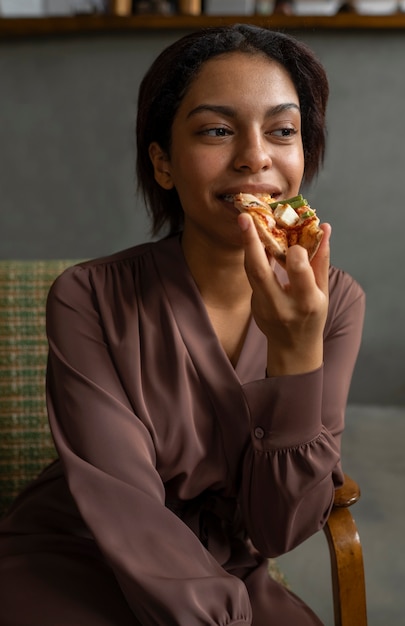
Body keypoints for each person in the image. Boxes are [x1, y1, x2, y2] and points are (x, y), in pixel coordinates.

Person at [0, 24, 365, 625]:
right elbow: (123, 504)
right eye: (218, 131)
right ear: (163, 163)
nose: (256, 156)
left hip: (230, 570)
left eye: (282, 131)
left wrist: (297, 352)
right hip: (80, 553)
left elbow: (280, 530)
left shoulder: (336, 303)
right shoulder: (87, 298)